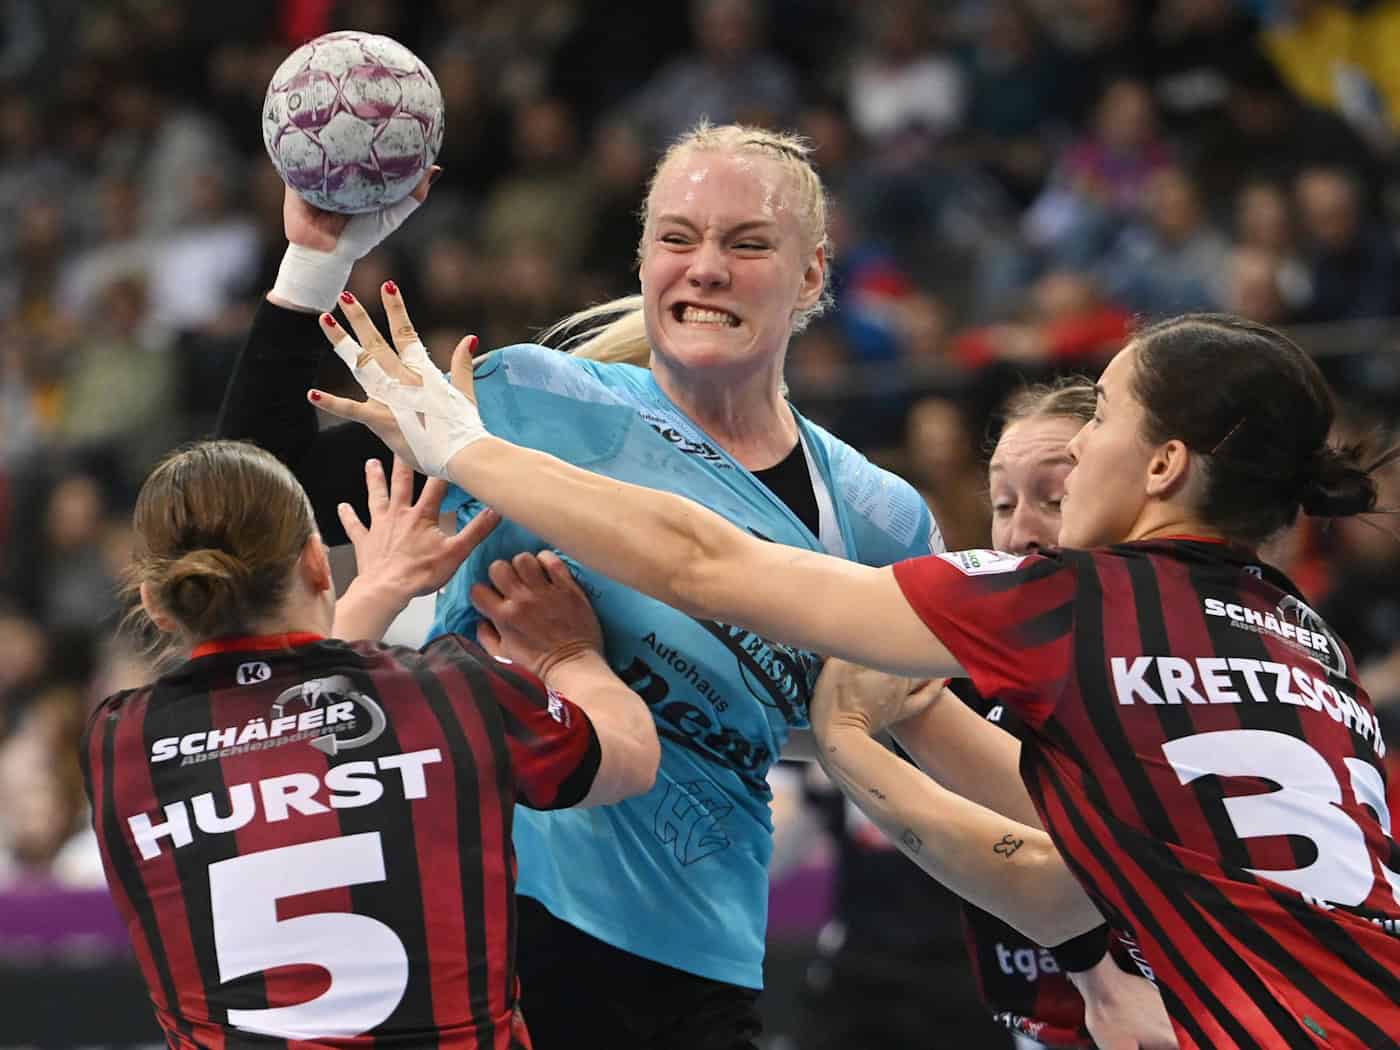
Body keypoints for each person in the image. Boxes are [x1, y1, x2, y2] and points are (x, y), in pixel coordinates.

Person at [318, 309, 1400, 1048]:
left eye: (1105, 419)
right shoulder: (1301, 640)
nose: (1082, 456)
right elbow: (1070, 827)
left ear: (1164, 466)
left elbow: (710, 565)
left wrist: (461, 445)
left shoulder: (1068, 601)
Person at [219, 123, 939, 1048]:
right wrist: (314, 263)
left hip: (690, 961)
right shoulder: (524, 400)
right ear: (643, 262)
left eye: (747, 243)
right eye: (678, 239)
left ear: (810, 277)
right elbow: (255, 508)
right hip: (481, 929)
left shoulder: (878, 518)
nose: (706, 268)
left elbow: (884, 734)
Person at [79, 441, 660, 1048]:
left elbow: (278, 735)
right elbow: (630, 756)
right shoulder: (454, 692)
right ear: (317, 561)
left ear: (155, 602)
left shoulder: (119, 744)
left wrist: (378, 592)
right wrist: (569, 654)